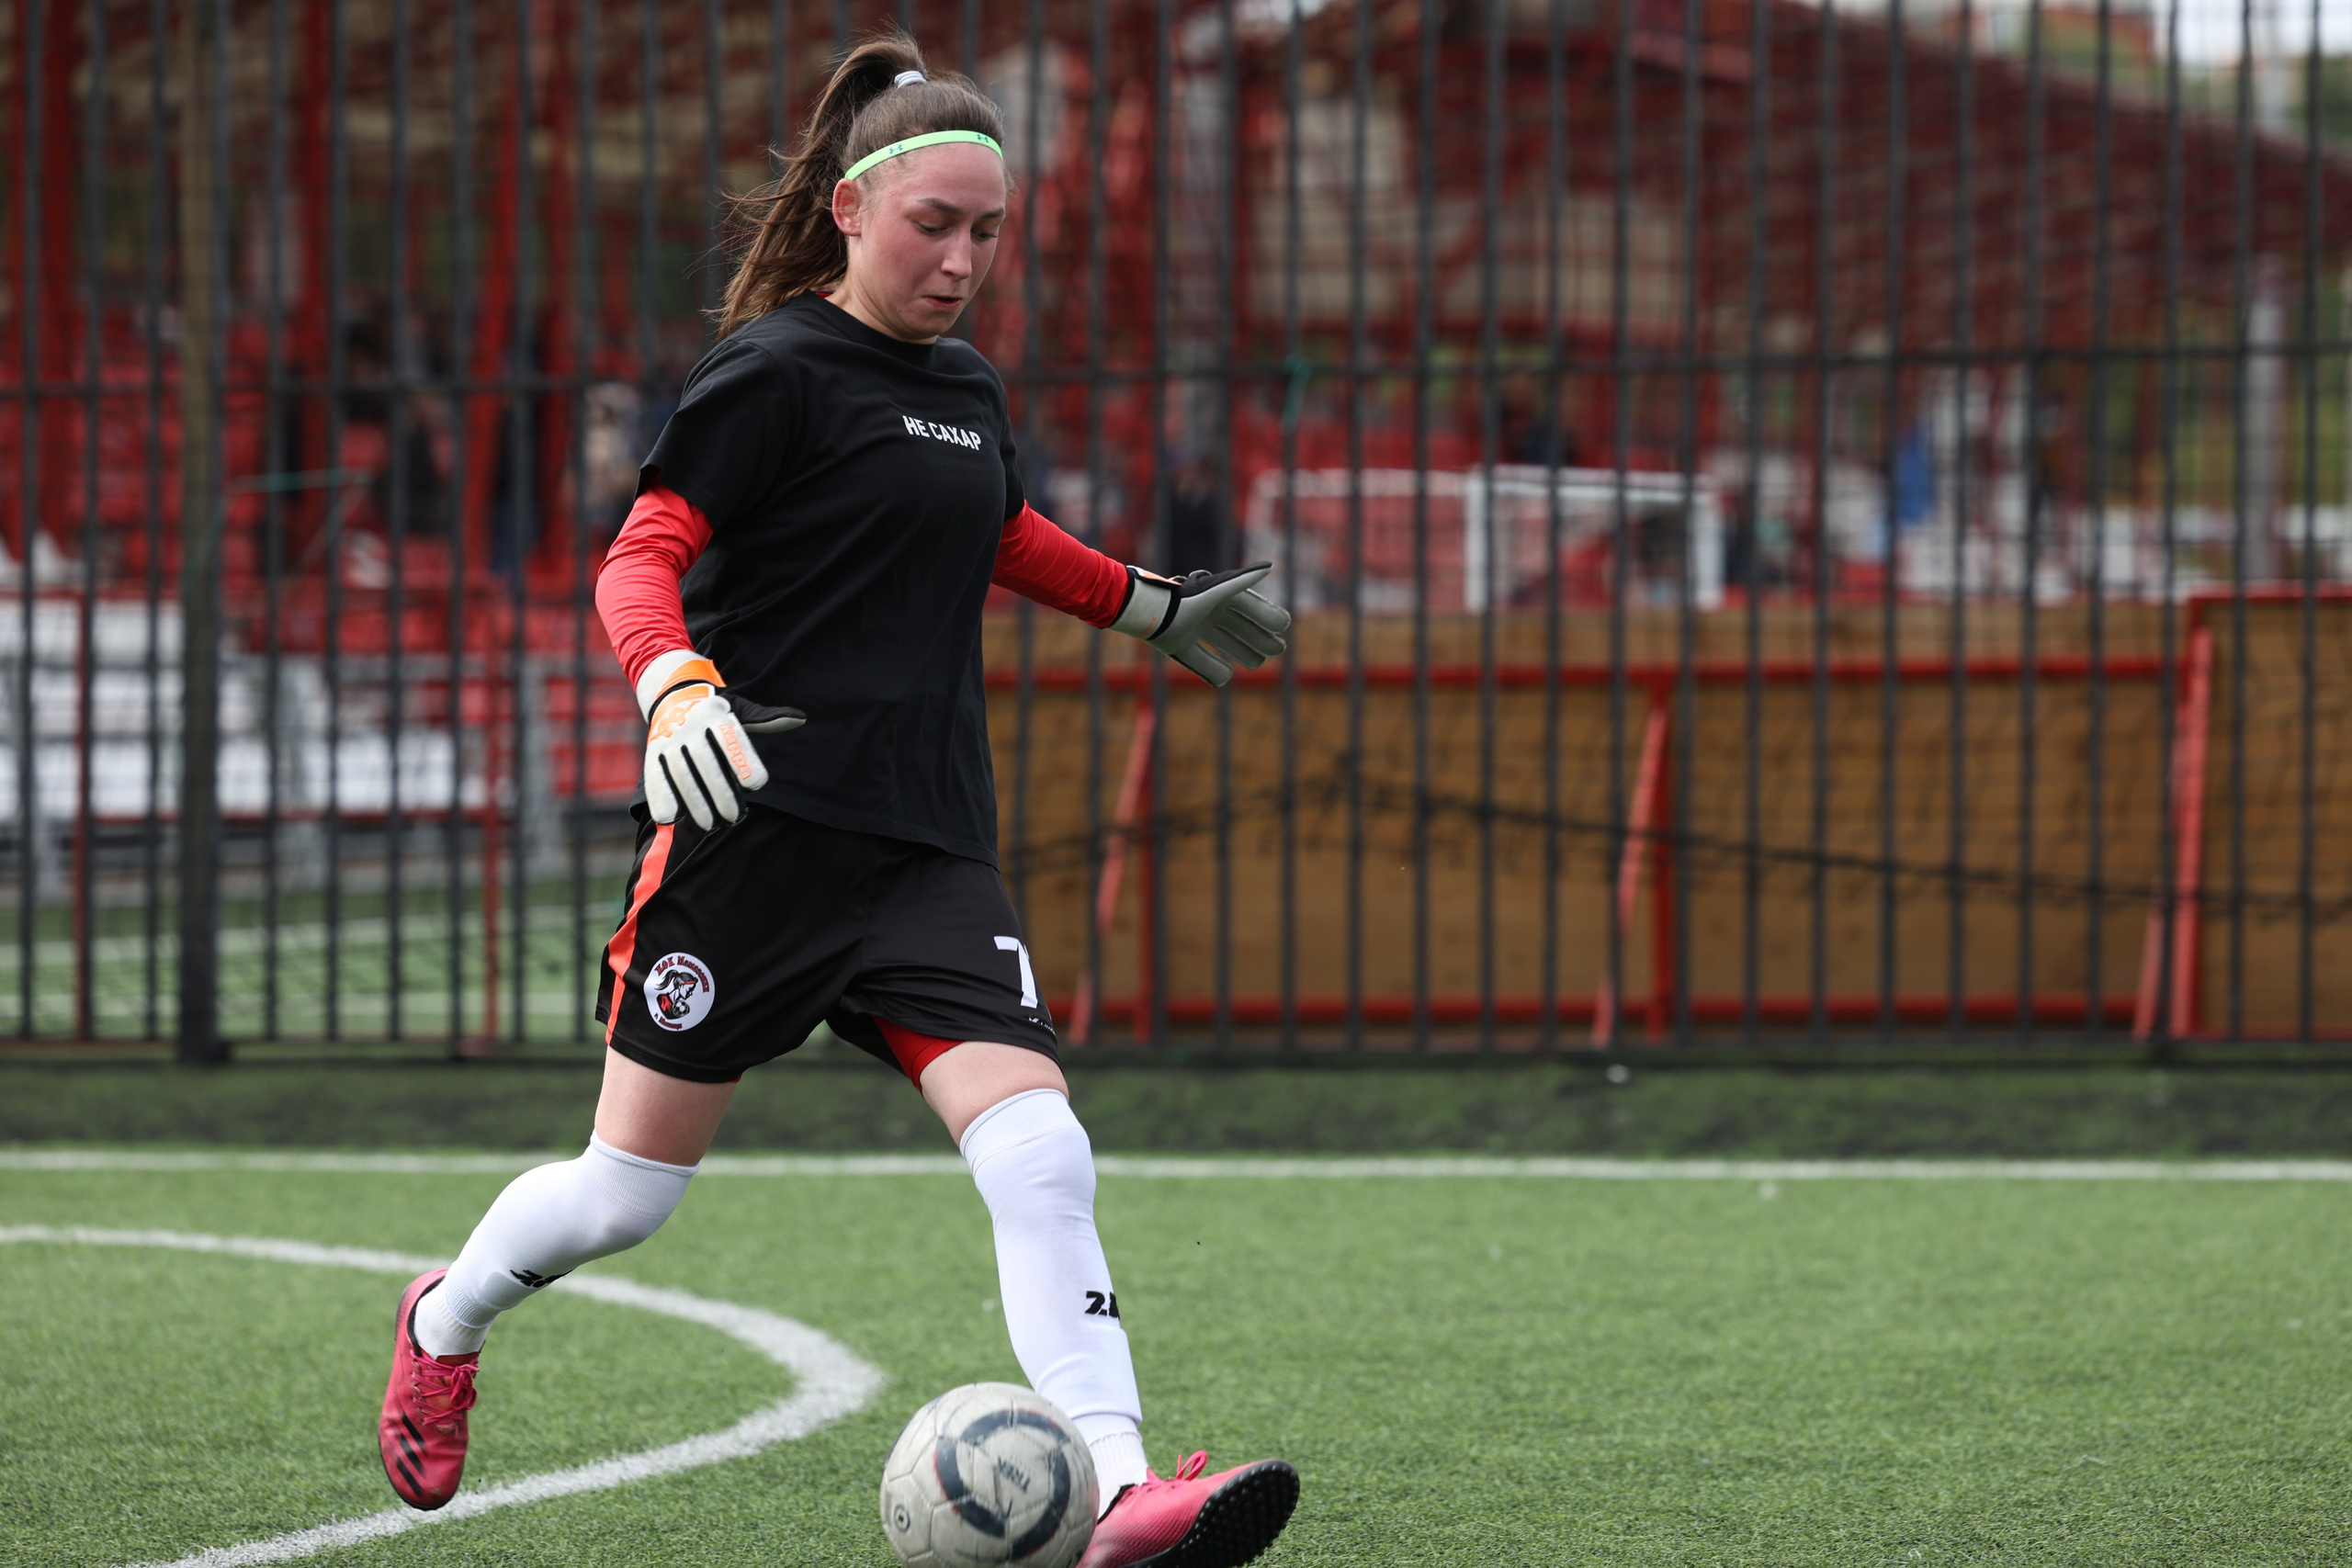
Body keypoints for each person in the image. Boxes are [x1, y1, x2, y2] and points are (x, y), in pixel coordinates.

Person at [375, 30, 1297, 1568]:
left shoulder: (967, 389)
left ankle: (1121, 1489)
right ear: (852, 212)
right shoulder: (774, 370)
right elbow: (639, 555)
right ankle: (446, 1313)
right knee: (621, 1200)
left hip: (924, 847)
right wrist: (675, 682)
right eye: (935, 224)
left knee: (1041, 1153)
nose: (962, 259)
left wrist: (1151, 607)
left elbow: (997, 531)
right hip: (753, 846)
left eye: (987, 231)